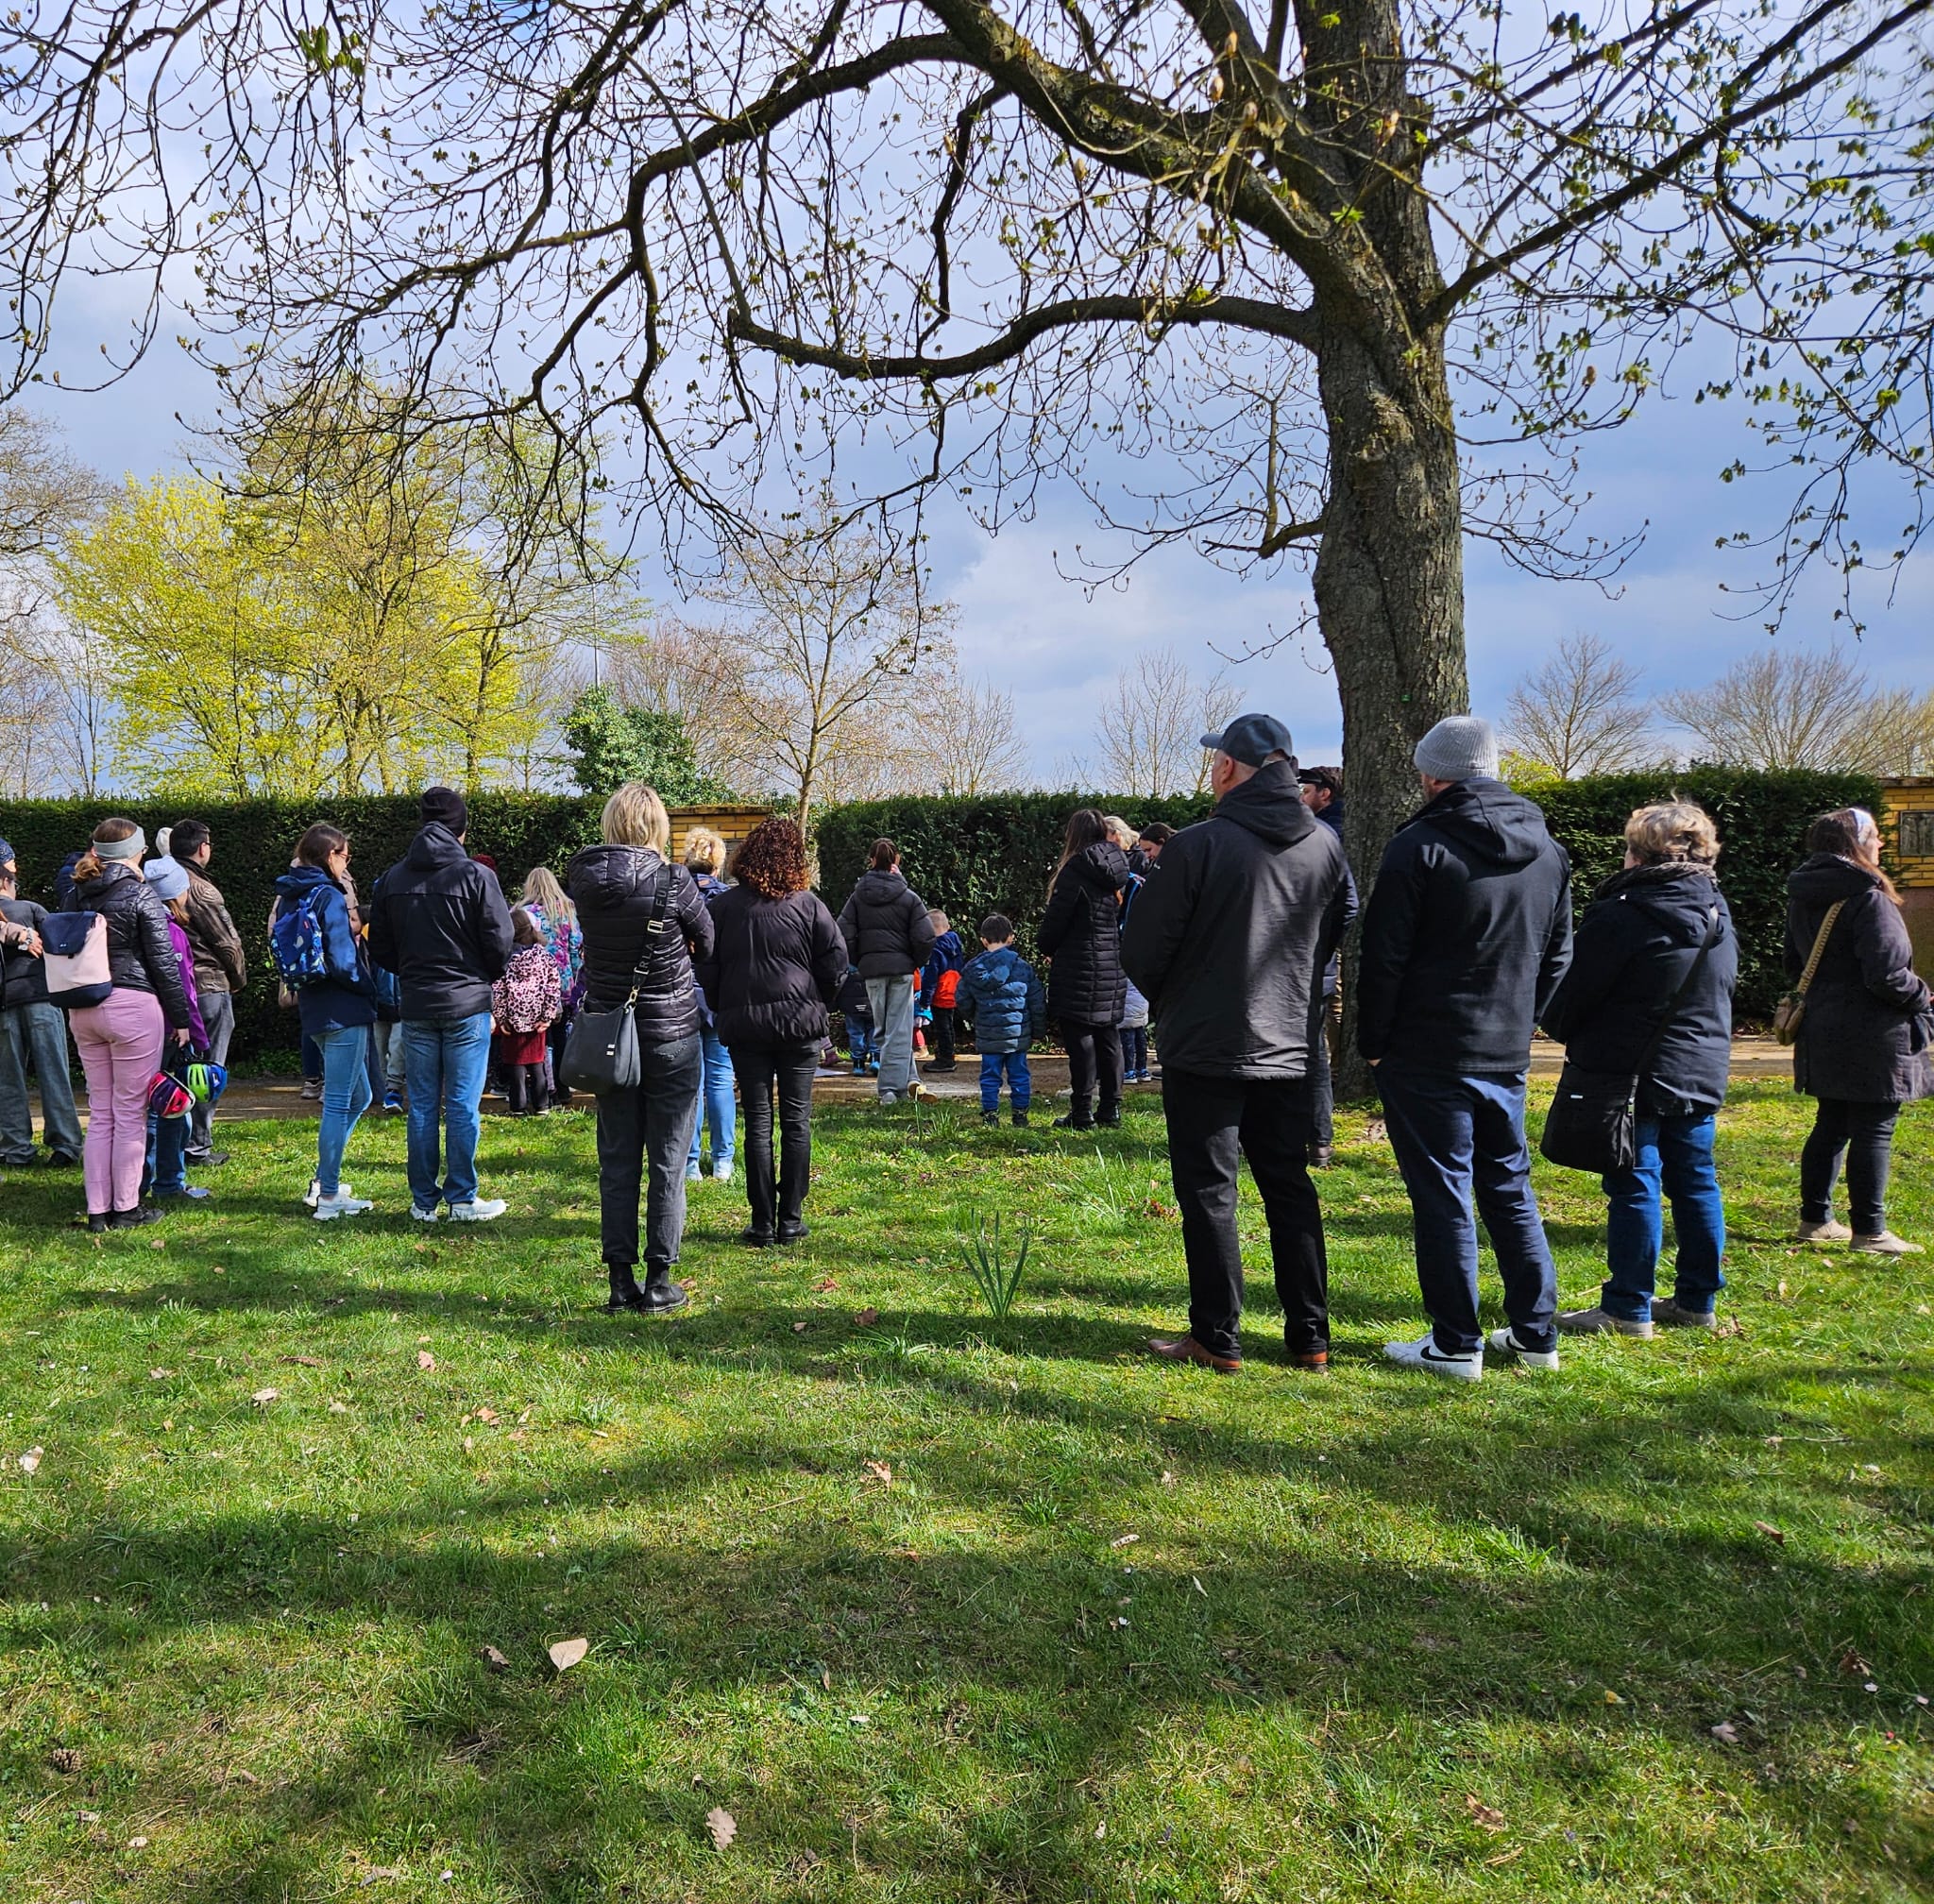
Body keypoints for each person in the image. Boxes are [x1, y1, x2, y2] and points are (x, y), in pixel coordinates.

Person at [1123, 713, 1353, 1373]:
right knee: (1289, 1185)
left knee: (1210, 1192)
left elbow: (1143, 946)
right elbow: (1341, 922)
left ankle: (1217, 1336)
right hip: (1289, 1041)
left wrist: (1180, 1001)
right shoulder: (1325, 846)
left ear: (1227, 768)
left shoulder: (1198, 844)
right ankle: (1310, 1335)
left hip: (1207, 1044)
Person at [1357, 715, 1573, 1381]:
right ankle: (1536, 1338)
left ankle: (1456, 1343)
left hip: (1427, 1050)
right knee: (1509, 1189)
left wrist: (1372, 1043)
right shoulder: (1550, 850)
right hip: (1503, 1050)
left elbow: (1383, 958)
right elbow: (1559, 955)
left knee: (1445, 1195)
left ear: (1431, 774)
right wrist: (1523, 1020)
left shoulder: (1417, 847)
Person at [1541, 803, 1739, 1334]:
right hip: (1699, 1064)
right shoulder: (1716, 909)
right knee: (1696, 1182)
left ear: (1637, 853)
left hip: (1631, 1071)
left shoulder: (1624, 913)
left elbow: (1572, 995)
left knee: (1634, 1184)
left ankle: (1627, 1306)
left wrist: (1558, 1023)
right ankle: (1698, 1301)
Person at [566, 781, 716, 1313]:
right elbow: (710, 940)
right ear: (656, 827)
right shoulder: (674, 880)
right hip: (672, 1033)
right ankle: (659, 1279)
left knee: (617, 1160)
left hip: (613, 1036)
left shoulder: (582, 881)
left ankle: (618, 1281)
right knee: (670, 1157)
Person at [1786, 807, 1932, 1255]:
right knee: (1875, 1127)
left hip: (1824, 1025)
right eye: (1875, 836)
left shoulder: (1804, 892)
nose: (1882, 844)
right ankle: (1870, 1230)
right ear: (1856, 843)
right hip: (1874, 1032)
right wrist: (1923, 997)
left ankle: (1815, 1219)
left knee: (1831, 1123)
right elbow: (1887, 975)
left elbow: (1794, 964)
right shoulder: (1868, 897)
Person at [693, 817, 845, 1246]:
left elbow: (707, 966)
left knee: (759, 1121)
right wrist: (818, 1002)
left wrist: (726, 1006)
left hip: (746, 1025)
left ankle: (762, 1222)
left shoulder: (723, 908)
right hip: (799, 1024)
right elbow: (836, 962)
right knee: (796, 1121)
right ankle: (791, 1220)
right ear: (795, 859)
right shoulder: (808, 905)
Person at [367, 786, 516, 1222]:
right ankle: (462, 1198)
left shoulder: (393, 879)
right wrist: (480, 976)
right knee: (463, 1106)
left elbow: (381, 947)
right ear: (462, 829)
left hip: (417, 1003)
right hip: (466, 1003)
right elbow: (500, 941)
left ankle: (423, 1201)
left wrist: (412, 973)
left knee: (423, 1106)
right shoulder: (476, 877)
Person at [59, 820, 193, 1231]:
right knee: (131, 1113)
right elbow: (163, 963)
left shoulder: (74, 895)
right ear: (137, 852)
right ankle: (127, 1207)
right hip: (133, 1006)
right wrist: (182, 1019)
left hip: (82, 1007)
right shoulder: (140, 894)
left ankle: (98, 1210)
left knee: (101, 1113)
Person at [266, 827, 375, 1216]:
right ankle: (328, 1194)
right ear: (331, 855)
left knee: (359, 1097)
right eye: (345, 855)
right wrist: (369, 987)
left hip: (312, 1004)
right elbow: (343, 959)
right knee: (339, 1101)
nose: (347, 862)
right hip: (343, 1007)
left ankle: (323, 1178)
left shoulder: (290, 894)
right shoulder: (328, 895)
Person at [1039, 809, 1131, 1130]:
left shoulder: (1075, 870)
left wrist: (1046, 947)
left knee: (1080, 1040)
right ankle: (1111, 1109)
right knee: (1109, 1036)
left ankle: (1081, 1112)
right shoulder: (1116, 866)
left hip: (1078, 963)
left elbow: (1057, 920)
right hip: (1111, 962)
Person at [168, 819, 246, 1167]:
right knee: (208, 1071)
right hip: (209, 987)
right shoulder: (201, 889)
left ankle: (172, 1141)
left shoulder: (157, 883)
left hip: (169, 988)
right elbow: (228, 944)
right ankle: (199, 1144)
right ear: (203, 848)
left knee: (174, 1069)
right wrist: (239, 979)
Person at [0, 842, 82, 1166]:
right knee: (54, 1073)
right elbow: (62, 945)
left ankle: (15, 1147)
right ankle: (64, 1144)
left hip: (3, 1005)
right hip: (40, 997)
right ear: (7, 879)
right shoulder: (31, 909)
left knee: (7, 1080)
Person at [836, 839, 935, 1105]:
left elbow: (843, 934)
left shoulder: (857, 898)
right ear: (897, 860)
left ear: (870, 860)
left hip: (872, 971)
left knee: (884, 1029)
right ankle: (893, 1089)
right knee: (897, 1029)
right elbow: (926, 937)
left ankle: (907, 1080)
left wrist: (861, 959)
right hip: (902, 970)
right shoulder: (909, 897)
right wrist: (914, 961)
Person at [139, 857, 212, 1205]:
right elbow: (184, 988)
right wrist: (197, 1034)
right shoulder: (172, 933)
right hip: (171, 1030)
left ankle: (135, 1184)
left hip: (138, 1028)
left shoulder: (132, 923)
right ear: (176, 893)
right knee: (171, 1107)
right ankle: (168, 1182)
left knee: (139, 1110)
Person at [1296, 766, 1358, 1168]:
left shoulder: (1324, 834)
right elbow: (1346, 906)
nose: (1302, 796)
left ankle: (1271, 1137)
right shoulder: (1328, 836)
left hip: (1289, 970)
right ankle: (1319, 1142)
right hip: (1316, 967)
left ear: (1325, 793)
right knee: (1315, 1055)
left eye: (1308, 789)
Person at [682, 828, 737, 1182]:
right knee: (720, 1079)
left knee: (690, 1083)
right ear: (718, 864)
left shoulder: (675, 895)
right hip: (719, 996)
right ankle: (723, 1160)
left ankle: (689, 1162)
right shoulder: (730, 900)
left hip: (683, 997)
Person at [959, 913, 1044, 1126]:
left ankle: (990, 1116)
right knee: (1019, 1076)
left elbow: (962, 999)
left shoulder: (972, 970)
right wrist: (1038, 1032)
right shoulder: (1022, 967)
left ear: (983, 940)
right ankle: (1020, 1116)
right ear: (1011, 938)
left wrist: (975, 1018)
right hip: (1017, 1035)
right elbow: (1037, 1001)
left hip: (989, 1033)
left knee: (989, 1076)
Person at [518, 865, 583, 1108]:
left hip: (533, 985)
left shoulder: (524, 913)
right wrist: (574, 976)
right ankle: (563, 1089)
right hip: (563, 983)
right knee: (561, 1037)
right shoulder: (567, 909)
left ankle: (542, 1091)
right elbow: (576, 945)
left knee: (539, 1040)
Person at [492, 908, 564, 1115]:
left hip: (513, 1020)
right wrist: (548, 1015)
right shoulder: (545, 957)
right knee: (537, 1062)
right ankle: (542, 1105)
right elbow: (553, 987)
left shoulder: (506, 959)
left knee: (515, 1064)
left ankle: (518, 1107)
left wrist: (501, 1016)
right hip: (537, 1020)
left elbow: (499, 988)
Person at [921, 910, 964, 1074]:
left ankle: (946, 1058)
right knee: (948, 1026)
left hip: (940, 994)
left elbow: (931, 978)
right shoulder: (956, 943)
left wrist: (925, 1000)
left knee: (942, 1027)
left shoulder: (935, 950)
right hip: (954, 991)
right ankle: (948, 1054)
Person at [837, 965, 876, 1075]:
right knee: (874, 1029)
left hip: (851, 1005)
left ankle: (858, 1063)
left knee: (855, 1033)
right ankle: (875, 1058)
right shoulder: (871, 962)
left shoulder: (847, 966)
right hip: (871, 1002)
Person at [1119, 973, 1151, 1084]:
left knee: (1128, 1042)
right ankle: (1142, 1069)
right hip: (1142, 1006)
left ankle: (1128, 1071)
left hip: (1128, 1008)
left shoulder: (1124, 968)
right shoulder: (1140, 968)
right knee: (1141, 1039)